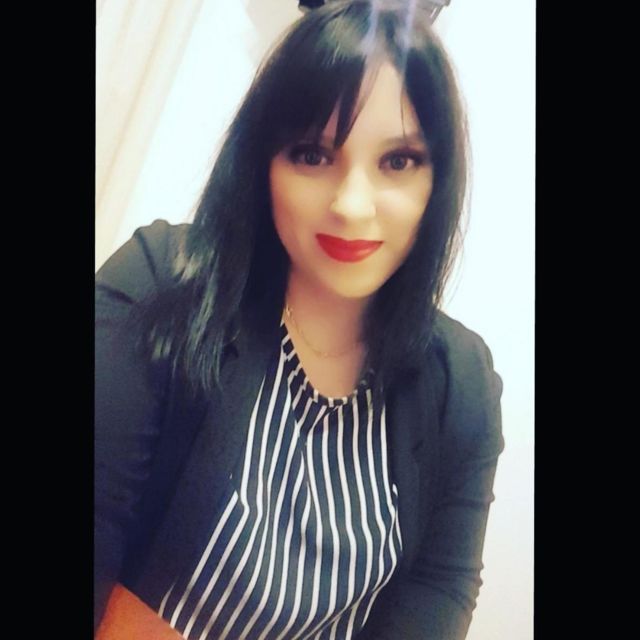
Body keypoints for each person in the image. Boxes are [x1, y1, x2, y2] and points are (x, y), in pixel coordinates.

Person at [94, 1, 504, 638]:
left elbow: (437, 596)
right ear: (263, 162)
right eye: (313, 155)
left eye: (397, 161)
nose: (352, 205)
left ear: (438, 178)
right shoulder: (160, 282)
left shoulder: (463, 385)